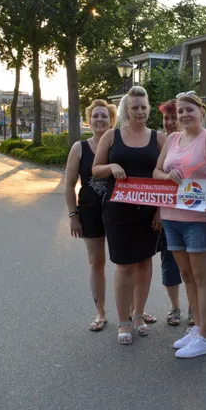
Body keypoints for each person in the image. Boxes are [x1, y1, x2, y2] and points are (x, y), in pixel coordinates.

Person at [154, 91, 206, 359]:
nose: (184, 115)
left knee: (202, 278)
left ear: (201, 112)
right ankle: (198, 328)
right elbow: (156, 171)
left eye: (190, 110)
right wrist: (167, 174)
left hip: (200, 219)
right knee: (186, 276)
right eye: (180, 111)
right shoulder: (173, 138)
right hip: (172, 217)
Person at [92, 86, 167, 345]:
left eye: (143, 107)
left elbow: (167, 177)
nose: (139, 112)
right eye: (134, 107)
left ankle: (138, 315)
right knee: (124, 266)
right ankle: (123, 321)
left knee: (145, 263)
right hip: (118, 210)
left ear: (149, 109)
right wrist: (111, 166)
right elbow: (96, 169)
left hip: (149, 211)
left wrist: (160, 210)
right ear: (126, 109)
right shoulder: (112, 137)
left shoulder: (159, 138)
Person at [64, 99, 116, 332]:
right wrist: (73, 215)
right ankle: (101, 312)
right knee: (97, 263)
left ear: (111, 120)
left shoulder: (118, 145)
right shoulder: (79, 148)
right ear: (89, 119)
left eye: (104, 116)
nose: (99, 120)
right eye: (95, 116)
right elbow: (68, 185)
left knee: (128, 262)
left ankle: (135, 310)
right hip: (89, 211)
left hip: (118, 211)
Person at [156, 100, 194, 327]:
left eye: (174, 118)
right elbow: (155, 175)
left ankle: (193, 307)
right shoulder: (162, 141)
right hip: (167, 211)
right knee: (169, 260)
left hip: (191, 209)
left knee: (193, 263)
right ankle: (174, 307)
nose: (170, 123)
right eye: (166, 119)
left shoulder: (194, 140)